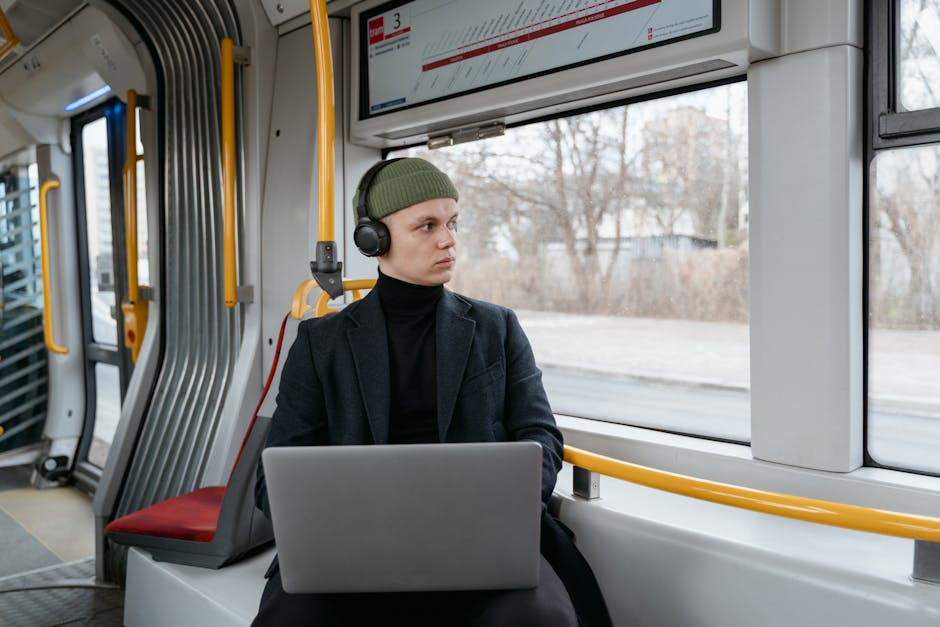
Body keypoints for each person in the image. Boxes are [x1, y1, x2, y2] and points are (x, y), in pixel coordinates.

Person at [252, 158, 611, 627]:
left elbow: (539, 434)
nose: (449, 240)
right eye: (427, 226)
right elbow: (276, 473)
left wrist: (502, 509)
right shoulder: (323, 343)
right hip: (355, 547)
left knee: (539, 617)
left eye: (453, 223)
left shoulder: (496, 328)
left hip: (482, 542)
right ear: (373, 239)